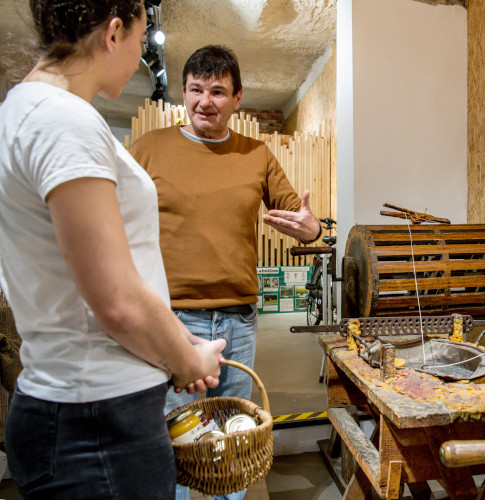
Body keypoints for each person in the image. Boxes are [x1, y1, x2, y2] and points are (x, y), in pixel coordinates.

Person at [0, 2, 227, 498]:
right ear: (114, 31)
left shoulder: (26, 110)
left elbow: (91, 281)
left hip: (88, 412)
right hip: (98, 424)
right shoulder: (63, 122)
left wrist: (174, 342)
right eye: (141, 42)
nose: (142, 58)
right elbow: (117, 301)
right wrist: (186, 363)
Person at [129, 45, 321, 500]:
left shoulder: (256, 154)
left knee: (233, 442)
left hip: (240, 320)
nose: (205, 101)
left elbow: (302, 219)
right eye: (195, 90)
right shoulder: (148, 149)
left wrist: (310, 229)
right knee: (180, 443)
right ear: (183, 93)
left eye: (218, 91)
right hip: (173, 320)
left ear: (237, 98)